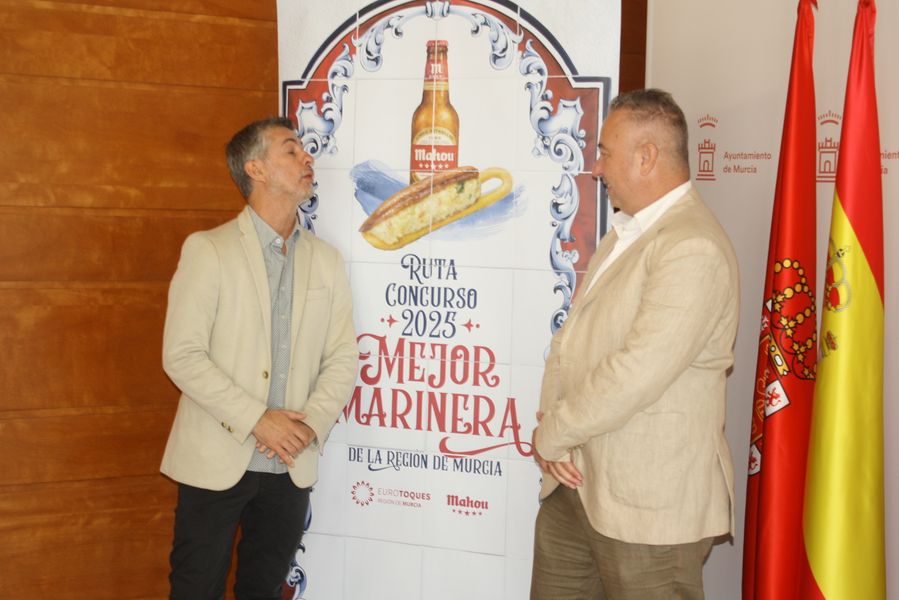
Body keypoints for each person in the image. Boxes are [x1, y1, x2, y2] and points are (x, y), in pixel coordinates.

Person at [530, 89, 739, 600]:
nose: (597, 168)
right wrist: (557, 429)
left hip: (649, 510)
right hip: (577, 483)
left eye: (605, 152)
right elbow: (577, 343)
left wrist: (554, 431)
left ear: (646, 157)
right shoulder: (631, 231)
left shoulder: (692, 246)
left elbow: (636, 372)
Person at [160, 117, 358, 599]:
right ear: (256, 169)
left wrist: (309, 426)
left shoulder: (327, 260)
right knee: (195, 590)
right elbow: (182, 355)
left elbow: (342, 357)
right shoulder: (209, 250)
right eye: (291, 150)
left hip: (290, 465)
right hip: (215, 459)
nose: (307, 157)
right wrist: (258, 420)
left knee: (264, 591)